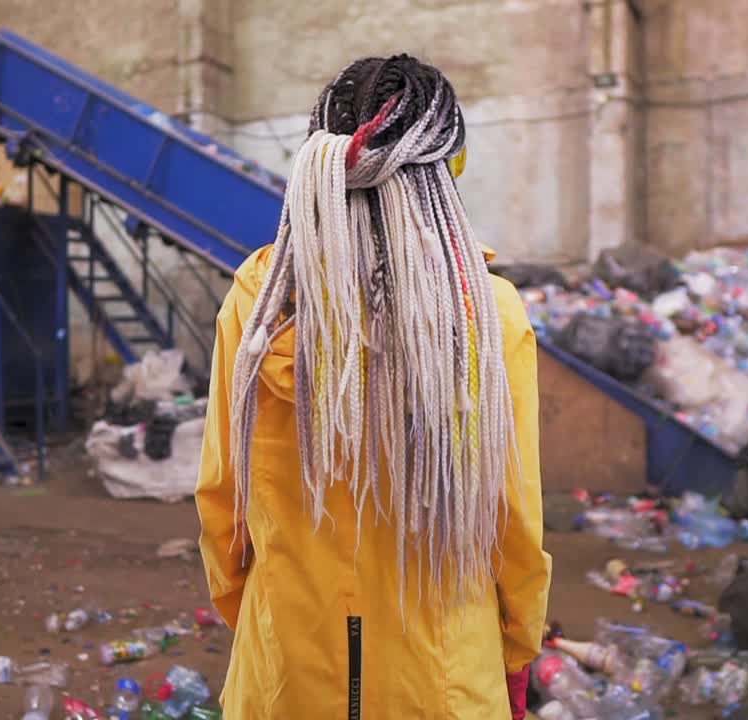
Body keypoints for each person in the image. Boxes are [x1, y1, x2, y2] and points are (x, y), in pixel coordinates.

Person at [196, 55, 552, 720]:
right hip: (442, 684)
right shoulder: (486, 316)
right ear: (443, 173)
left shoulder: (259, 308)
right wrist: (515, 646)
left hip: (285, 678)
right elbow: (515, 523)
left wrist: (266, 624)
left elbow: (223, 508)